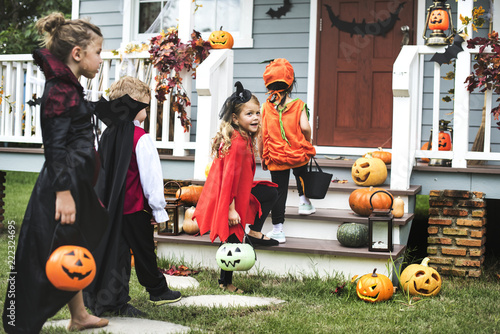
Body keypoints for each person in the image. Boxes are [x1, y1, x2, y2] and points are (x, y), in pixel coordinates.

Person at [2, 13, 109, 333]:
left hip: (75, 182)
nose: (101, 59)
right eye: (98, 52)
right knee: (45, 253)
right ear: (77, 53)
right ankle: (20, 324)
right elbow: (55, 146)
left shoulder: (69, 88)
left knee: (72, 244)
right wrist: (63, 194)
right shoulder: (60, 91)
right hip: (63, 185)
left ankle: (78, 315)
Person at [84, 76, 182, 317]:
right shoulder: (142, 139)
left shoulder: (107, 135)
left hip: (111, 209)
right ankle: (157, 290)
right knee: (144, 251)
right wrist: (159, 211)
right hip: (136, 209)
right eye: (146, 105)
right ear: (135, 103)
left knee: (115, 254)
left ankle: (111, 298)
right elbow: (151, 179)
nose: (147, 110)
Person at [194, 81, 279, 294]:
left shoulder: (243, 138)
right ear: (235, 118)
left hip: (240, 192)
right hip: (228, 196)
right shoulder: (238, 143)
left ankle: (254, 233)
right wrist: (231, 209)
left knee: (269, 192)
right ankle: (225, 282)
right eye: (249, 114)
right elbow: (229, 178)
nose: (256, 118)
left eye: (257, 113)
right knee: (231, 238)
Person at [259, 58, 317, 244]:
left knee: (279, 192)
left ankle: (278, 230)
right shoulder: (298, 105)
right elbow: (306, 127)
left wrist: (262, 156)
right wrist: (307, 141)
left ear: (268, 84)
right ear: (291, 83)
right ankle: (304, 202)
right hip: (298, 153)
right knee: (302, 175)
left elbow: (262, 134)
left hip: (276, 157)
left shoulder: (265, 107)